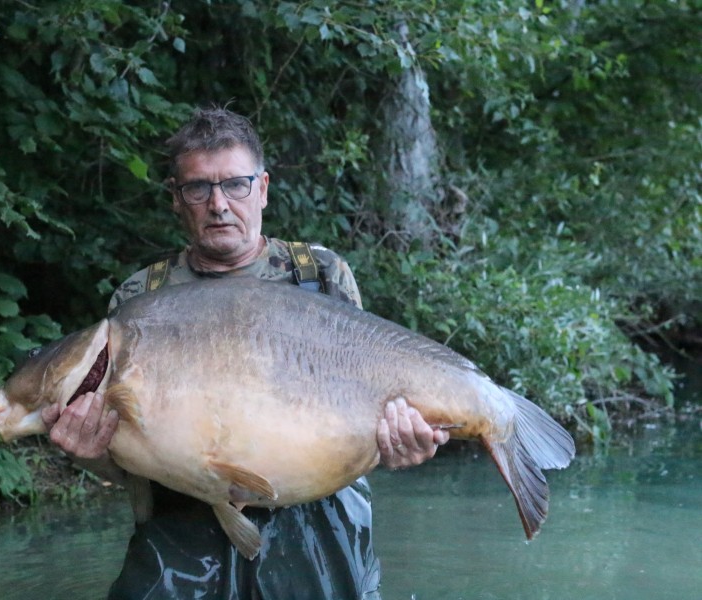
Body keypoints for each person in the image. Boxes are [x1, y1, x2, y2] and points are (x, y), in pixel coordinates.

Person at [41, 107, 450, 599]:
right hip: (184, 515)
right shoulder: (139, 297)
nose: (218, 204)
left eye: (235, 184)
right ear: (176, 199)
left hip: (315, 514)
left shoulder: (318, 275)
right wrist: (90, 453)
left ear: (262, 188)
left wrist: (400, 445)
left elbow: (361, 413)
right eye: (199, 188)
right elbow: (129, 451)